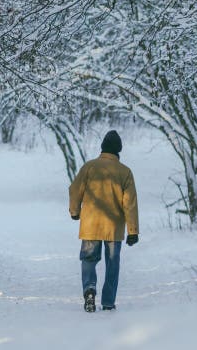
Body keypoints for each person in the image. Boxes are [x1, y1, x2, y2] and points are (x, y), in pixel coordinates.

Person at [69, 130, 139, 312]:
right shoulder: (125, 172)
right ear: (119, 150)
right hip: (113, 227)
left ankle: (89, 290)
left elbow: (75, 189)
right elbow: (130, 203)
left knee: (88, 259)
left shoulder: (89, 167)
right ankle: (108, 302)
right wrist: (133, 231)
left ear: (102, 147)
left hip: (90, 224)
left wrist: (75, 211)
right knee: (112, 263)